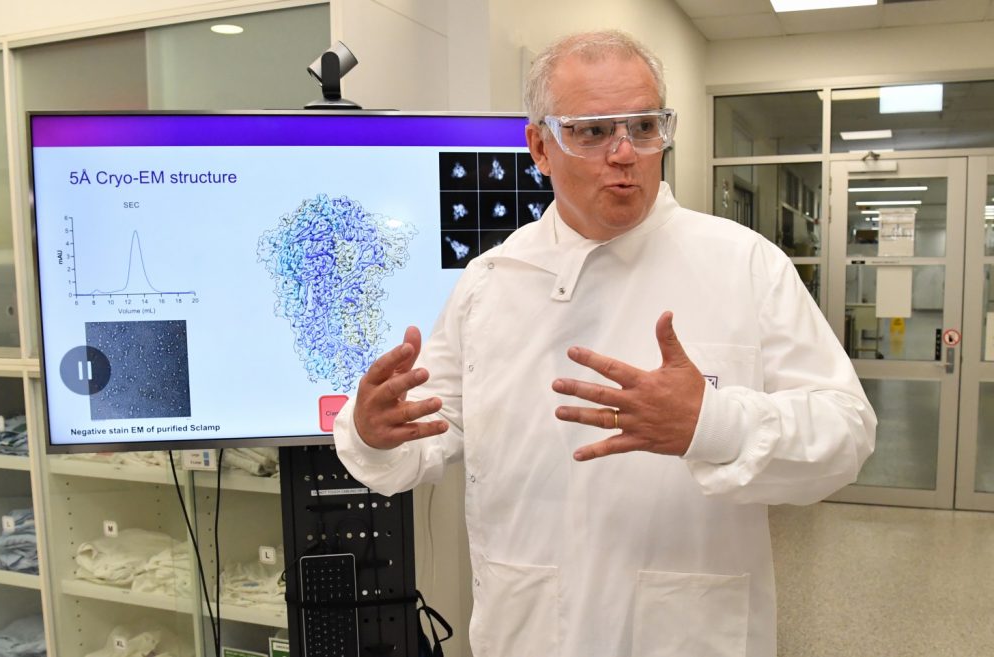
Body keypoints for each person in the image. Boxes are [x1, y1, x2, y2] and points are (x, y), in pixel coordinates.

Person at [333, 29, 876, 657]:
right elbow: (430, 430)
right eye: (592, 132)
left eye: (644, 127)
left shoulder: (743, 264)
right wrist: (374, 432)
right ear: (540, 147)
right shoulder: (491, 281)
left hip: (686, 632)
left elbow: (846, 433)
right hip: (530, 627)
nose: (625, 153)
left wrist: (713, 425)